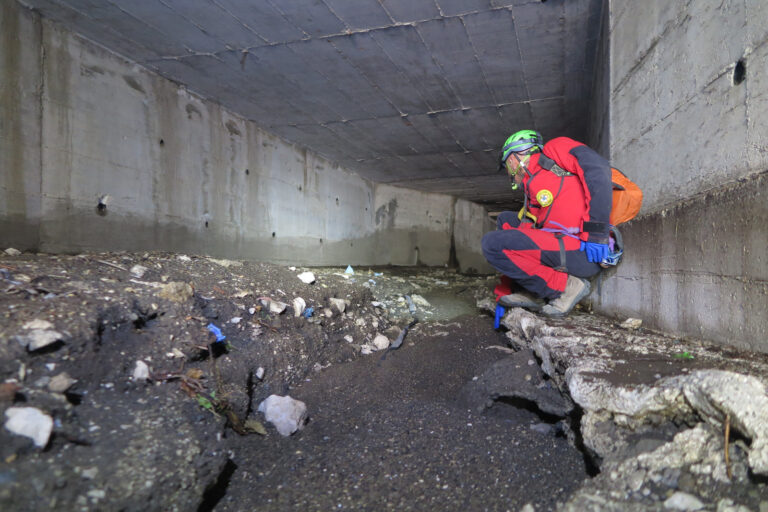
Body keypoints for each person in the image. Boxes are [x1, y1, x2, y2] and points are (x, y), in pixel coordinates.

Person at [481, 129, 613, 317]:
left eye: (507, 165)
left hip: (584, 248)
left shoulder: (554, 149)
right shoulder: (532, 186)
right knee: (507, 221)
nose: (509, 172)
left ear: (513, 158)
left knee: (491, 244)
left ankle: (566, 287)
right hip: (559, 245)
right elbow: (523, 238)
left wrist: (597, 231)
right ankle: (533, 292)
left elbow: (597, 168)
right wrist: (506, 287)